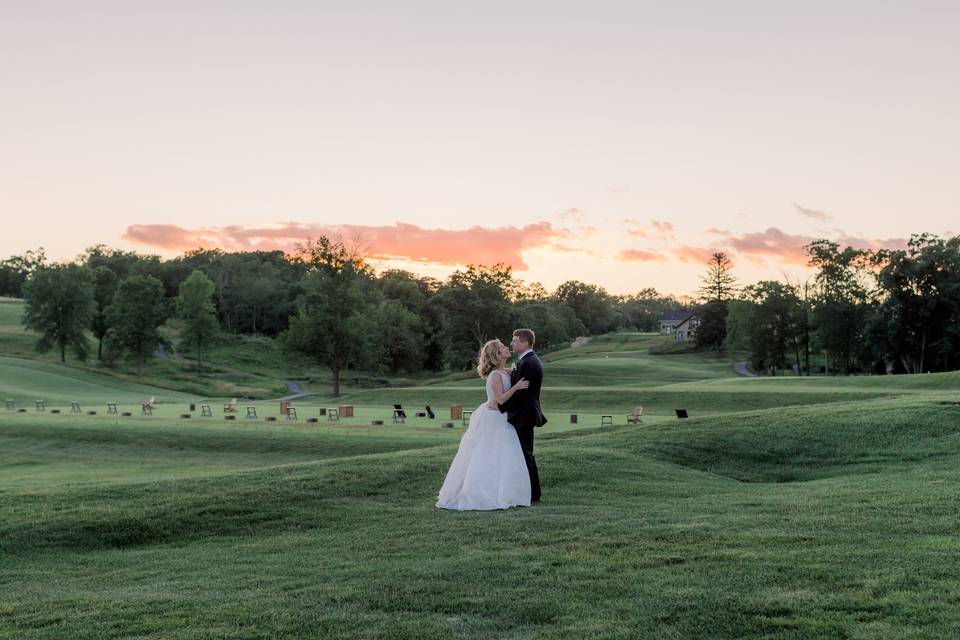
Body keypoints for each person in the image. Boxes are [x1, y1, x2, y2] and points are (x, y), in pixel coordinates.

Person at [436, 339, 532, 510]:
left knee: (505, 455)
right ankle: (483, 493)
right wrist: (516, 387)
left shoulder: (504, 371)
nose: (506, 348)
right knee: (490, 454)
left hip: (502, 417)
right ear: (497, 354)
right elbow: (499, 399)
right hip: (494, 418)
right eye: (502, 347)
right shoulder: (495, 375)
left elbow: (518, 370)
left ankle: (506, 492)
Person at [497, 328, 546, 502]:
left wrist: (499, 406)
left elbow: (521, 394)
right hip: (523, 414)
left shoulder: (528, 363)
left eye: (515, 340)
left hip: (523, 415)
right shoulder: (525, 361)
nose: (512, 343)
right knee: (523, 453)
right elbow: (517, 382)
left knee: (525, 454)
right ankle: (528, 492)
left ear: (525, 343)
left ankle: (533, 494)